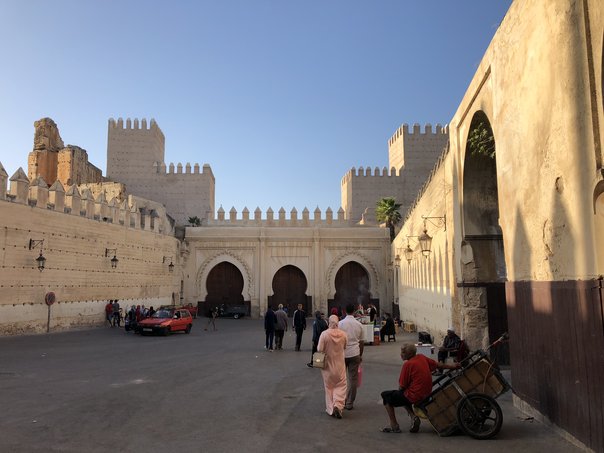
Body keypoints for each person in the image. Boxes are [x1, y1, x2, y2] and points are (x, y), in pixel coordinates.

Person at [380, 343, 460, 433]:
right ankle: (413, 417)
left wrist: (400, 393)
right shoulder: (421, 357)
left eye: (403, 352)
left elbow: (402, 386)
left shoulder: (408, 365)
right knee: (403, 394)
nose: (401, 354)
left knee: (386, 396)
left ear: (409, 354)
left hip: (416, 395)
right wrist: (452, 366)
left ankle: (394, 425)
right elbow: (438, 365)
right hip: (426, 393)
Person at [317, 315, 348, 418]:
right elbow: (345, 346)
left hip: (327, 366)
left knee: (329, 387)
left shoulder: (324, 334)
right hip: (340, 365)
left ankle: (330, 408)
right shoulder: (343, 334)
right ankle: (338, 405)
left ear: (329, 322)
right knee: (341, 385)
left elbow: (319, 349)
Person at [338, 303, 364, 411]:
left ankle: (340, 401)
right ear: (354, 311)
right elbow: (361, 342)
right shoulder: (359, 325)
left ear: (344, 311)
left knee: (341, 378)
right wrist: (360, 355)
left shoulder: (340, 324)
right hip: (354, 353)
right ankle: (349, 402)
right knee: (353, 379)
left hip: (342, 354)